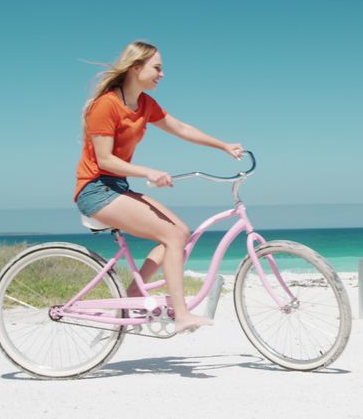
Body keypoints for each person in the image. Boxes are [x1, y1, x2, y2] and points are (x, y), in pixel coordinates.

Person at [74, 40, 244, 334]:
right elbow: (105, 159)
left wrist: (223, 146)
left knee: (180, 233)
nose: (162, 74)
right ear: (136, 68)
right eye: (157, 68)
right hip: (95, 190)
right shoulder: (107, 105)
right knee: (170, 234)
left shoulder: (144, 105)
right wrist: (148, 172)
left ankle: (133, 294)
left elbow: (181, 128)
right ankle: (181, 314)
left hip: (116, 187)